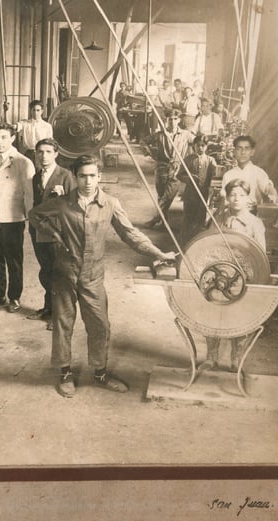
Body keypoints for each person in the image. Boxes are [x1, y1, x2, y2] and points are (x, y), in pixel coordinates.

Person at [28, 154, 176, 398]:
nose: (88, 181)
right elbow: (35, 215)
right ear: (75, 177)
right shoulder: (62, 203)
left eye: (92, 176)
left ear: (100, 177)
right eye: (83, 176)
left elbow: (131, 234)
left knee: (100, 325)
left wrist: (157, 253)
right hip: (64, 272)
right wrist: (52, 233)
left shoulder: (110, 204)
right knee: (63, 323)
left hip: (93, 275)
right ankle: (64, 372)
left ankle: (100, 373)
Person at [201, 178, 267, 372]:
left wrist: (252, 277)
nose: (236, 198)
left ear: (248, 199)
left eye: (241, 195)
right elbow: (209, 245)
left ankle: (236, 360)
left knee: (242, 320)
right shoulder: (218, 218)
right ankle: (211, 358)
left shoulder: (256, 224)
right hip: (218, 275)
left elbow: (261, 255)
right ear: (227, 198)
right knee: (212, 315)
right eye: (232, 195)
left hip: (243, 279)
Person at [0, 123, 35, 313]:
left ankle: (14, 298)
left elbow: (29, 193)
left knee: (14, 259)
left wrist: (28, 216)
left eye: (3, 137)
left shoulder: (23, 162)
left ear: (12, 139)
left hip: (13, 218)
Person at [26, 138, 74, 328]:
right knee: (46, 271)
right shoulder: (37, 176)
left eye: (48, 152)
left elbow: (74, 207)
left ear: (56, 154)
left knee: (59, 274)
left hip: (57, 232)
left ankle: (60, 316)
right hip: (39, 231)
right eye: (40, 152)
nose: (43, 156)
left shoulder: (66, 176)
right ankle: (49, 308)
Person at [142, 109, 196, 229]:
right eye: (170, 119)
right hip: (161, 168)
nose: (172, 121)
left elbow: (197, 142)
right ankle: (164, 223)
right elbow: (144, 141)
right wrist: (149, 152)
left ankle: (156, 219)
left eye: (175, 119)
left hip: (176, 170)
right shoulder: (160, 134)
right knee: (161, 196)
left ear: (179, 120)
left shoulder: (185, 135)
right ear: (166, 120)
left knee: (167, 197)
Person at [219, 135, 278, 211]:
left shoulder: (258, 172)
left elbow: (268, 188)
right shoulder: (228, 175)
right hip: (233, 213)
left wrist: (274, 195)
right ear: (234, 152)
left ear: (252, 152)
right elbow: (224, 198)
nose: (243, 152)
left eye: (246, 149)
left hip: (253, 213)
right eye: (239, 149)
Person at [178, 135, 217, 242]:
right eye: (198, 145)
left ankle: (197, 241)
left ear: (206, 147)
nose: (200, 148)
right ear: (194, 146)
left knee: (200, 217)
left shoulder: (211, 161)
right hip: (190, 194)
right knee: (188, 217)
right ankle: (184, 241)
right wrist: (189, 178)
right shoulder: (188, 160)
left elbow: (215, 176)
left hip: (203, 194)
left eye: (203, 146)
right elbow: (179, 175)